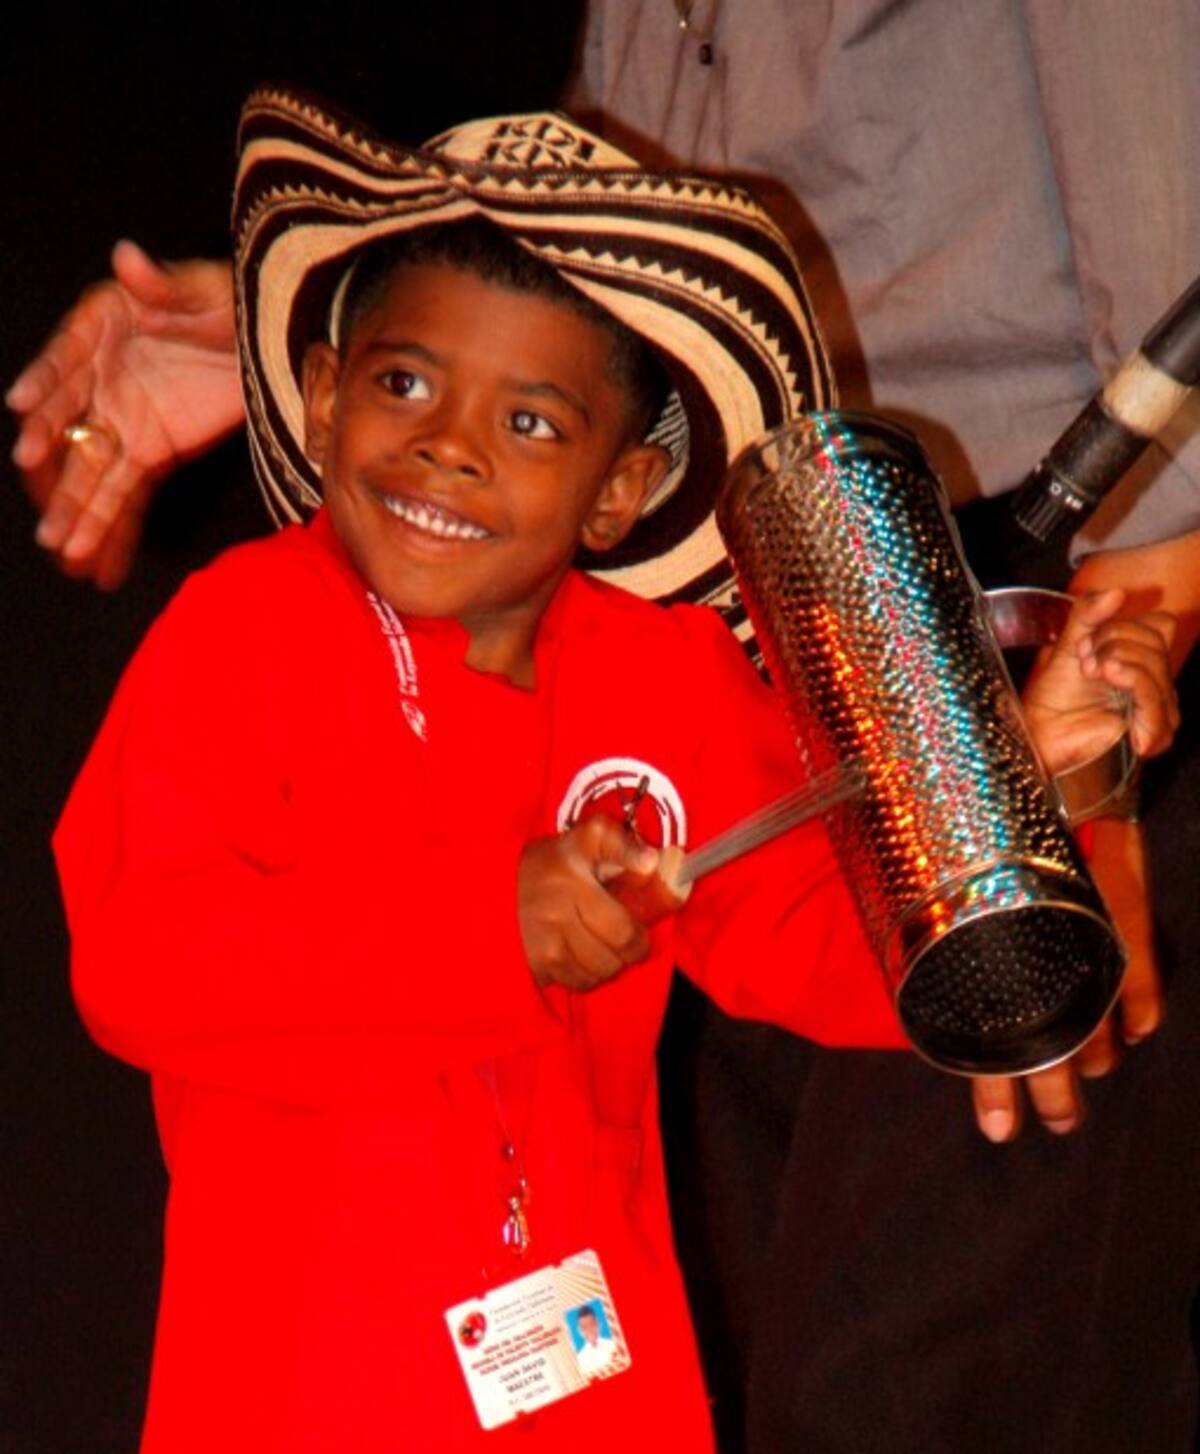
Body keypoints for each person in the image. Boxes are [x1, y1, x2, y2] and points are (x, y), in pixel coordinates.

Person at [43, 91, 1175, 1454]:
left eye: (532, 423)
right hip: (300, 1404)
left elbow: (841, 945)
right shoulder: (242, 630)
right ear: (328, 393)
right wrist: (488, 929)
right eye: (406, 383)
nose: (450, 444)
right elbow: (142, 960)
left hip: (605, 1402)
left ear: (621, 488)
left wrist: (1042, 788)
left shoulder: (663, 674)